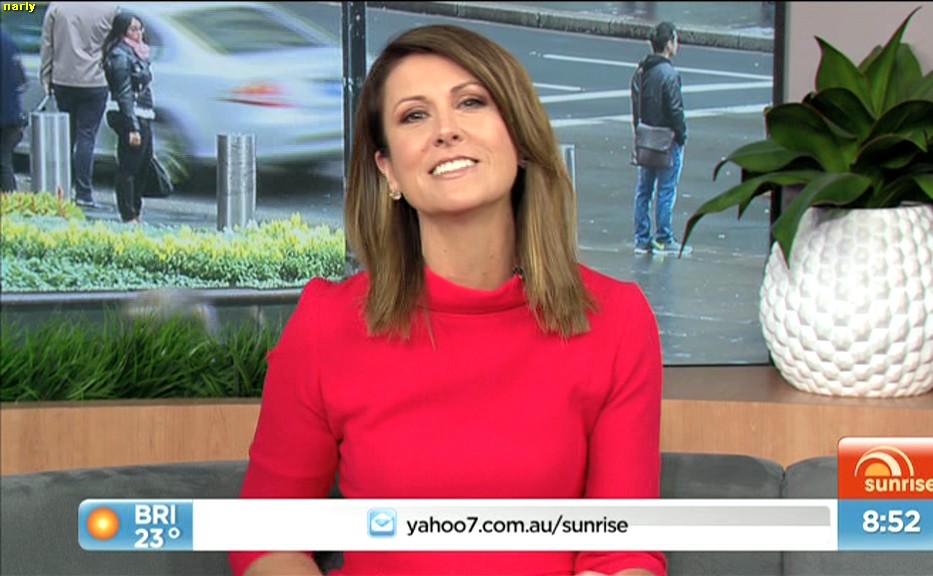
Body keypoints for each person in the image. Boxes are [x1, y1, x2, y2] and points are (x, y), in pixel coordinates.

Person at [229, 24, 666, 576]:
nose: (446, 131)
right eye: (415, 115)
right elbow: (268, 537)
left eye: (471, 103)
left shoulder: (616, 321)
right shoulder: (327, 324)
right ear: (388, 169)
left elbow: (621, 554)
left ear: (519, 137)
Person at [39, 2, 116, 208]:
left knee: (66, 137)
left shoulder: (58, 7)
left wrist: (46, 76)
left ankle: (60, 188)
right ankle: (84, 192)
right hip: (95, 80)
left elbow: (47, 44)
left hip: (63, 78)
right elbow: (113, 44)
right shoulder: (109, 9)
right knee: (86, 136)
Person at [631, 21, 688, 257]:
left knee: (644, 189)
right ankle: (664, 237)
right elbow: (675, 110)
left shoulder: (641, 71)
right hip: (667, 140)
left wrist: (639, 131)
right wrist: (681, 135)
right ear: (668, 43)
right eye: (675, 39)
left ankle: (642, 238)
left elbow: (636, 107)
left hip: (646, 137)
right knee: (666, 189)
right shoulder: (669, 74)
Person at [101, 11, 154, 224]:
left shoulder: (138, 52)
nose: (138, 33)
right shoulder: (120, 55)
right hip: (130, 114)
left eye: (140, 28)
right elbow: (123, 92)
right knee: (129, 167)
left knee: (143, 164)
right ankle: (128, 214)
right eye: (133, 29)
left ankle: (136, 211)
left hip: (143, 112)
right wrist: (132, 127)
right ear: (123, 30)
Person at [1, 28, 27, 193]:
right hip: (11, 115)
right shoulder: (8, 40)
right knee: (4, 161)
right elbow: (22, 81)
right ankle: (11, 200)